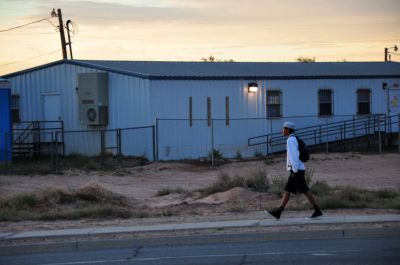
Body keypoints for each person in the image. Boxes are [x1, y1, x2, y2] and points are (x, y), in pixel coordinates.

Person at [265, 121, 322, 219]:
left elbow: (294, 156)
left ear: (287, 130)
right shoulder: (293, 139)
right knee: (288, 190)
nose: (282, 131)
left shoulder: (291, 140)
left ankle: (317, 210)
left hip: (296, 170)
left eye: (283, 129)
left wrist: (294, 170)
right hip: (296, 170)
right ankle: (278, 212)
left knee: (304, 190)